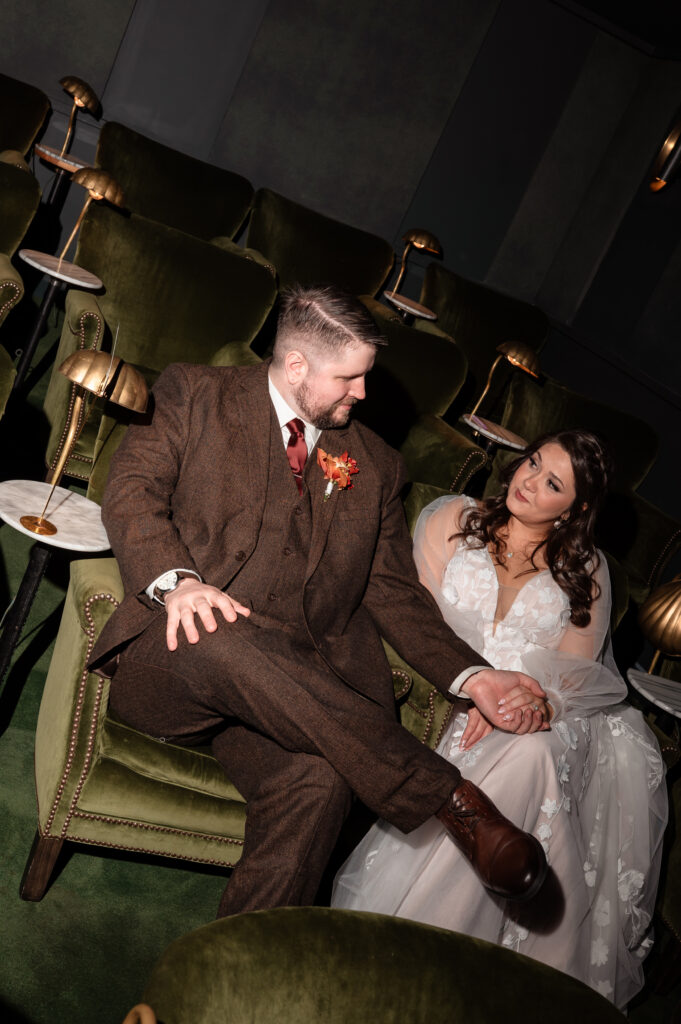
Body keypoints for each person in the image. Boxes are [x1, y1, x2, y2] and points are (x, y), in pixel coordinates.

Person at [90, 284, 551, 919]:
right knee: (215, 627)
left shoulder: (377, 465)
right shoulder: (195, 394)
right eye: (350, 378)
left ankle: (237, 980)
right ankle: (453, 800)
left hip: (295, 692)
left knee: (322, 779)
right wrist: (180, 582)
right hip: (174, 668)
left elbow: (393, 591)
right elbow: (132, 489)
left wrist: (472, 675)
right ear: (299, 365)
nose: (362, 394)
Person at [332, 430, 668, 1009]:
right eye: (533, 463)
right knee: (516, 754)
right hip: (462, 691)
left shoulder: (585, 570)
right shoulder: (450, 520)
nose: (529, 482)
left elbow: (578, 675)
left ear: (577, 509)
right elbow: (414, 622)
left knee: (534, 751)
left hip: (544, 719)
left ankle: (422, 951)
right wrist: (473, 691)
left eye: (552, 484)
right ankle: (427, 956)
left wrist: (539, 705)